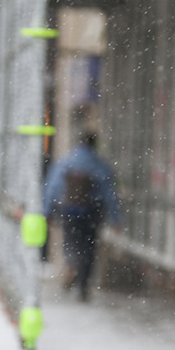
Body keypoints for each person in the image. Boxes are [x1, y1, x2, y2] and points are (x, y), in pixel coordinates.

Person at [42, 129, 120, 301]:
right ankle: (84, 285)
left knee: (71, 241)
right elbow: (109, 193)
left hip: (69, 211)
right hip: (91, 212)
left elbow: (52, 187)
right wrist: (116, 218)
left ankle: (71, 265)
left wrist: (47, 211)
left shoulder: (66, 160)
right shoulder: (99, 164)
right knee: (89, 248)